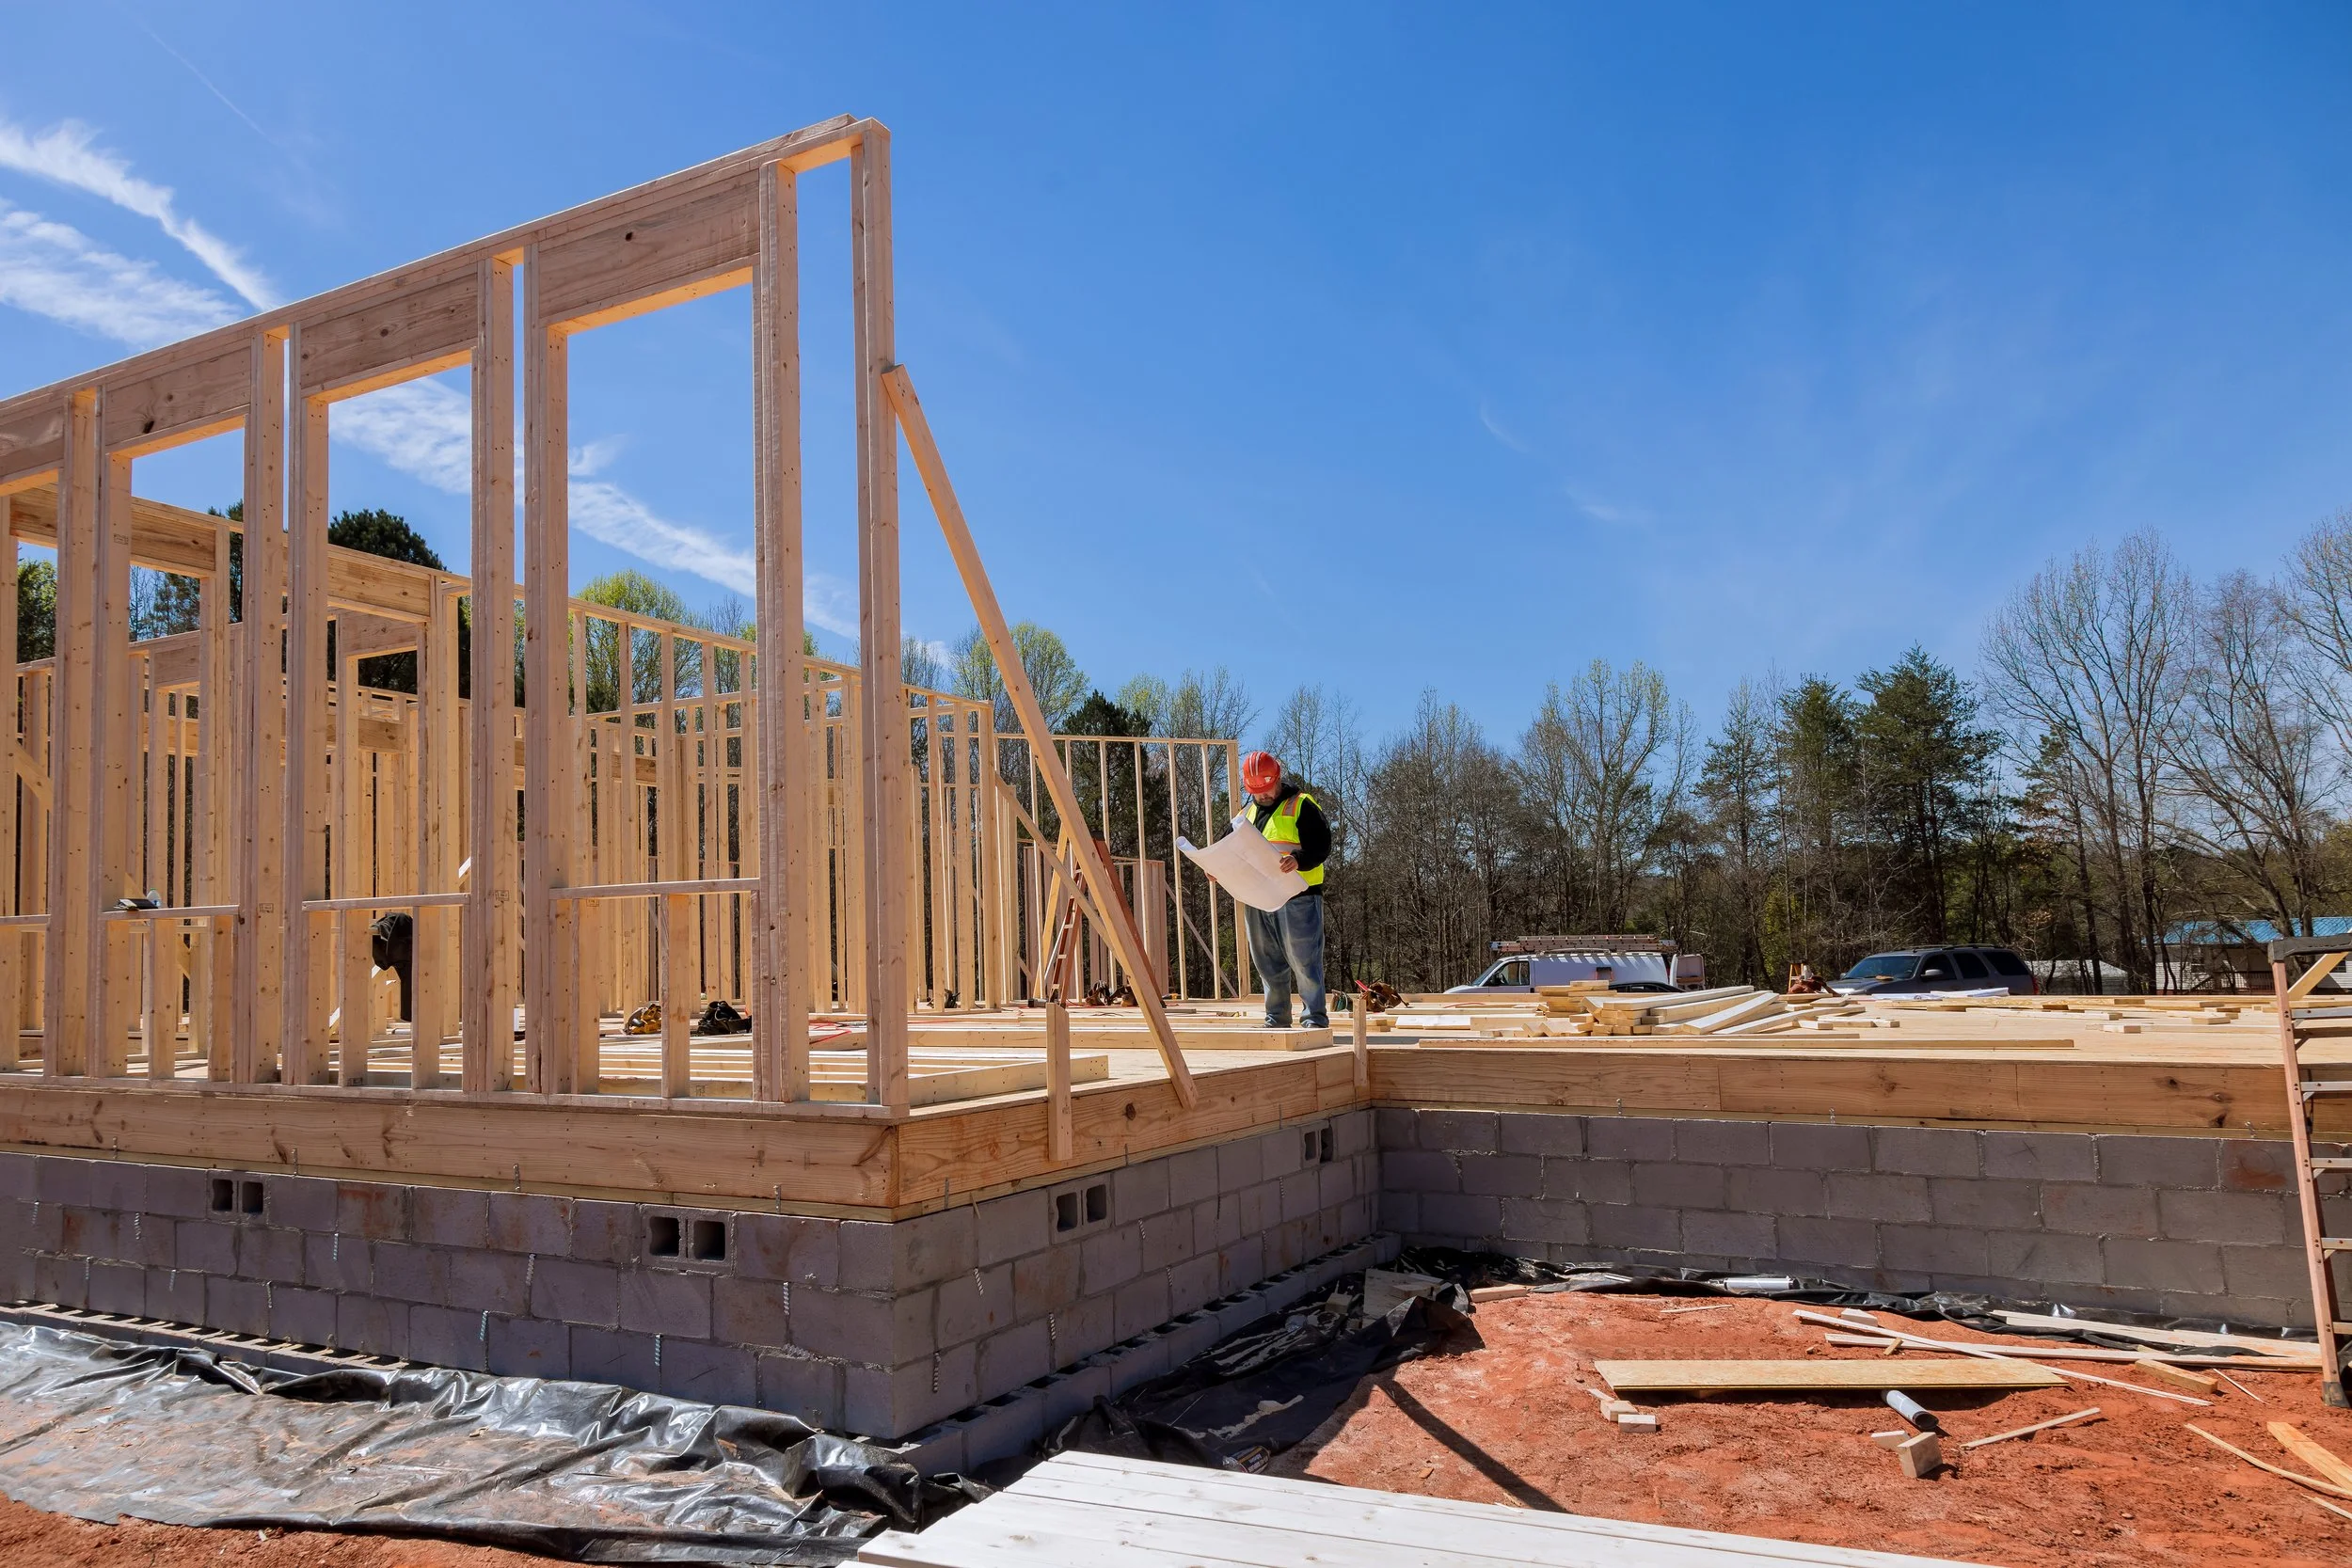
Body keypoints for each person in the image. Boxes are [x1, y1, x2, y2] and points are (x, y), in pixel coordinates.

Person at [1236, 749, 1330, 1030]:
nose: (1263, 795)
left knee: (1304, 961)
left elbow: (1322, 845)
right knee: (1267, 963)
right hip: (1260, 898)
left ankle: (1314, 1018)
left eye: (1267, 788)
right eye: (1257, 790)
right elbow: (1229, 847)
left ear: (1277, 778)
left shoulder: (1301, 805)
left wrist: (1298, 860)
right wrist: (1216, 867)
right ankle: (1276, 1019)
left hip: (1297, 896)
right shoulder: (1246, 813)